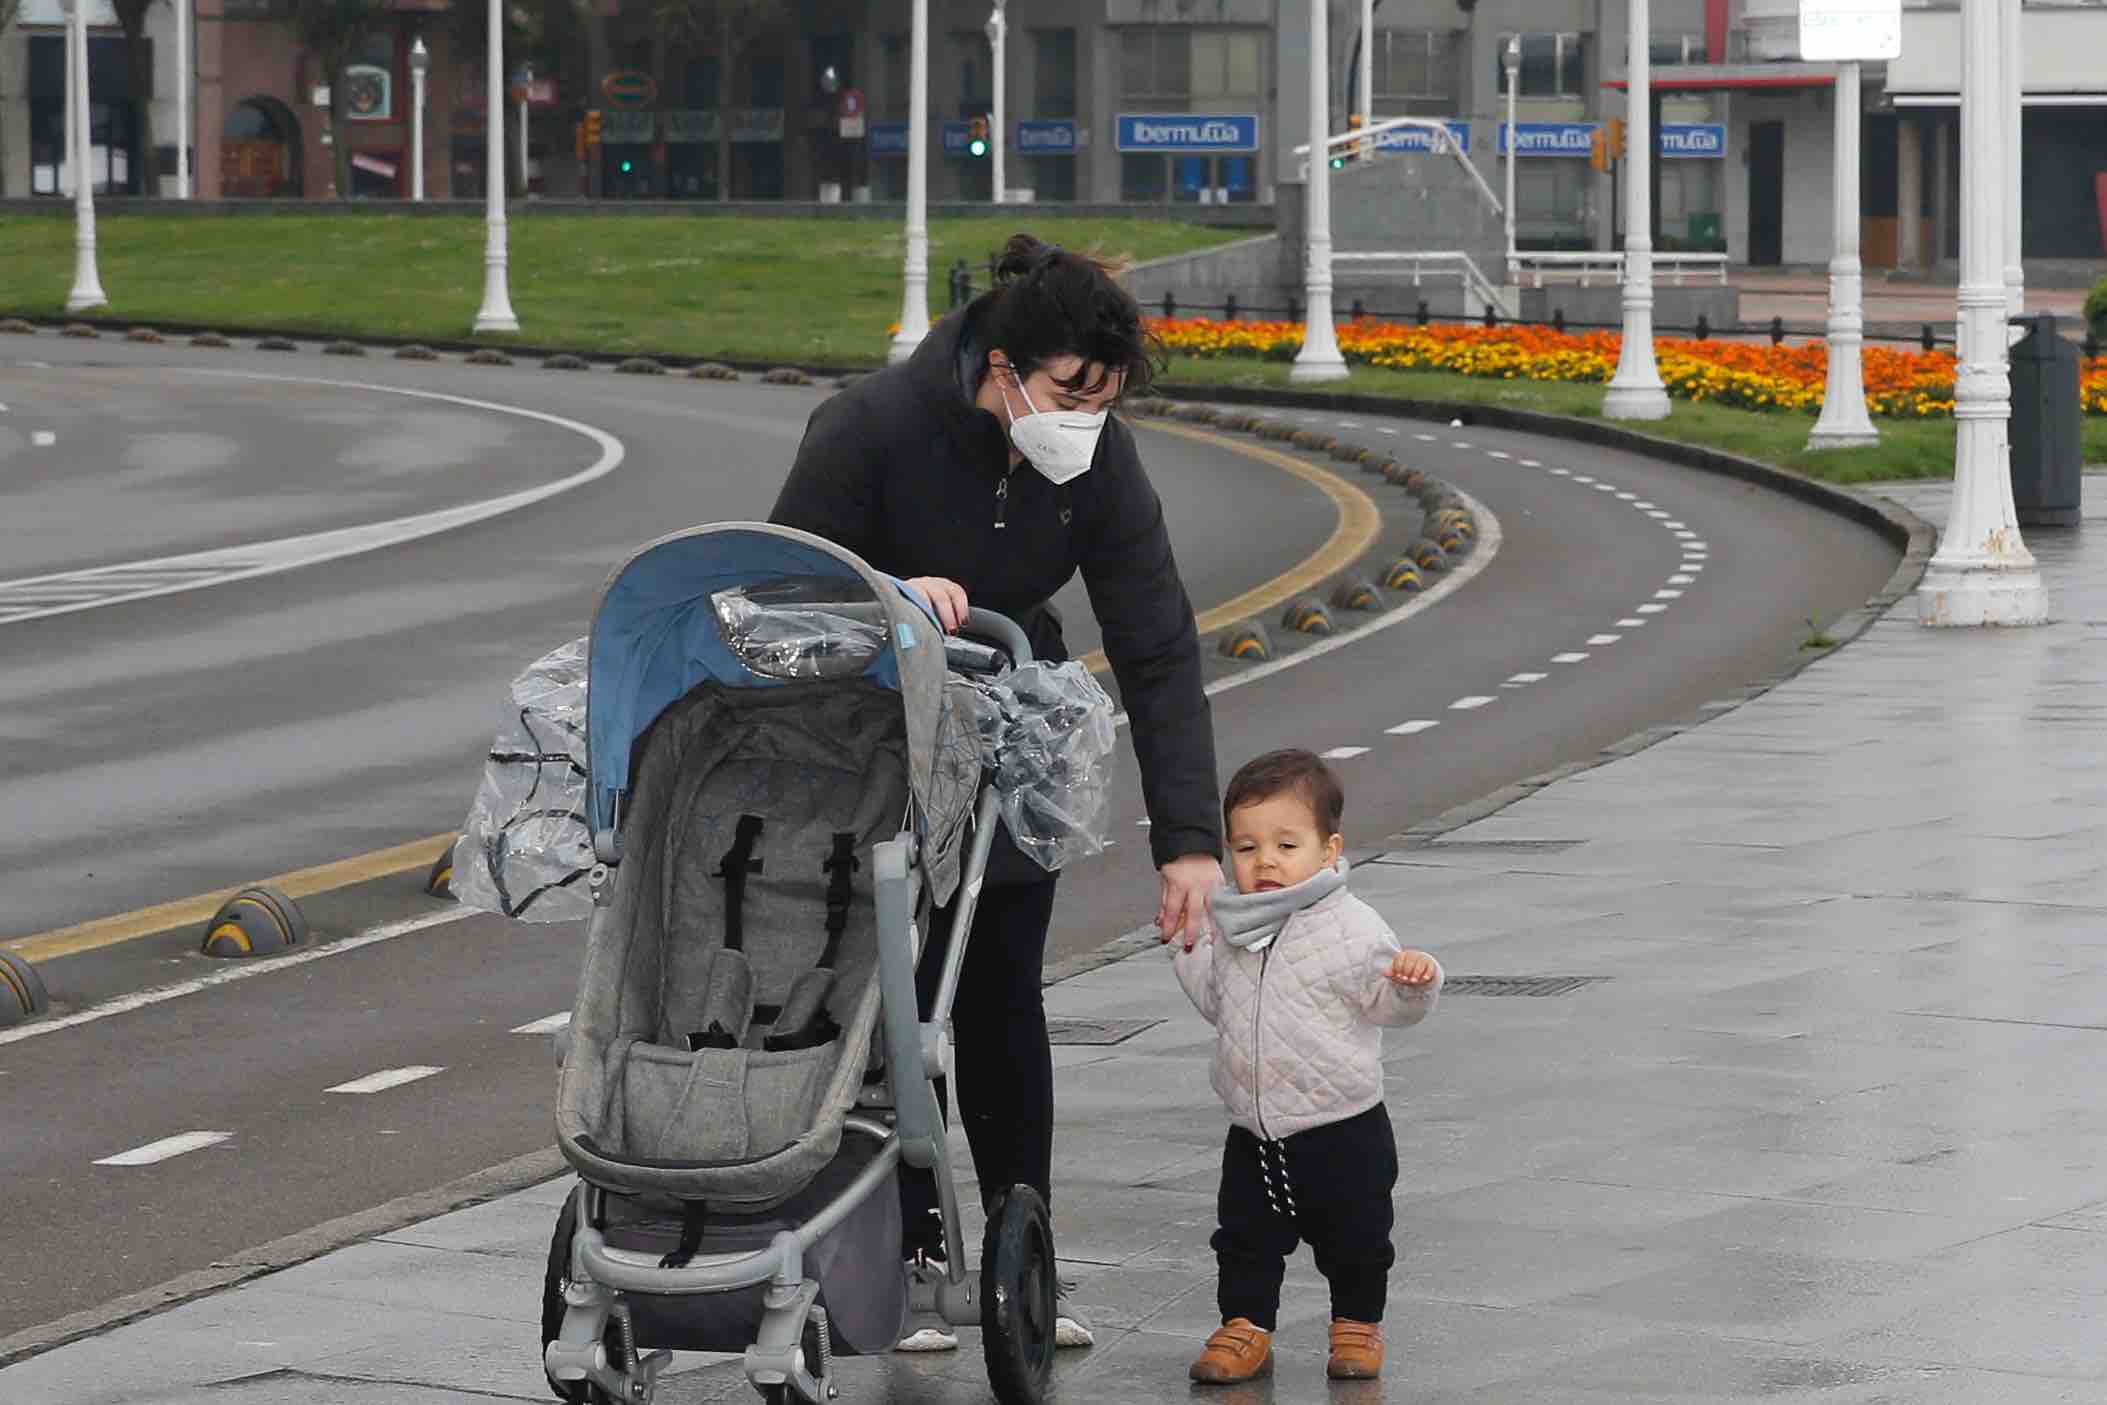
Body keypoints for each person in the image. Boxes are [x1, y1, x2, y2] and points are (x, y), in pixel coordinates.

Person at [770, 233, 1224, 1350]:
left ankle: (1024, 1256)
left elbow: (1157, 643)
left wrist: (1191, 840)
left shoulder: (1094, 459)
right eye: (1072, 391)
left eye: (1105, 400)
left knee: (1001, 993)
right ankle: (906, 1253)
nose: (1086, 418)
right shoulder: (870, 426)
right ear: (1007, 365)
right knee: (889, 994)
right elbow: (777, 592)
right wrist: (885, 594)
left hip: (1003, 713)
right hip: (867, 726)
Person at [1168, 749, 1442, 1384]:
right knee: (1243, 1240)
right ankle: (1244, 1325)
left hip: (1342, 1128)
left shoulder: (1350, 926)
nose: (1264, 861)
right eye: (1245, 847)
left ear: (1328, 850)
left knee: (1358, 1239)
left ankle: (1356, 1323)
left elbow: (1388, 1004)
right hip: (1254, 1130)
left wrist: (1413, 981)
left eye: (1286, 844)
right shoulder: (1233, 926)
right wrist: (1188, 948)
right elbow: (1221, 1003)